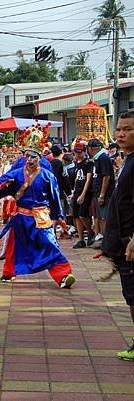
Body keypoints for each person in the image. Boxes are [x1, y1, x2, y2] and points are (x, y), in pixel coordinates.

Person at [0, 124, 76, 288]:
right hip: (21, 214)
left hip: (41, 214)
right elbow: (0, 186)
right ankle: (9, 272)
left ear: (40, 158)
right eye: (27, 156)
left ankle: (64, 275)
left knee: (49, 244)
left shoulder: (48, 175)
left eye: (33, 157)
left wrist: (59, 217)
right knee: (14, 245)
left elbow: (55, 198)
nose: (29, 160)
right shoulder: (16, 172)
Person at [102, 112, 134, 360]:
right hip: (122, 242)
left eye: (129, 129)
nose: (121, 134)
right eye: (119, 129)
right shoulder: (127, 161)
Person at [88, 138, 115, 245]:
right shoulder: (97, 159)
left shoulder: (103, 158)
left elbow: (106, 176)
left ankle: (105, 239)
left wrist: (102, 194)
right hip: (97, 191)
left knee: (104, 217)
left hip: (104, 193)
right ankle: (103, 238)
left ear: (91, 148)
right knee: (99, 216)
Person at [71, 143, 94, 249]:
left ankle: (90, 232)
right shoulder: (77, 163)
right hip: (77, 191)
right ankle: (80, 239)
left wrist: (83, 194)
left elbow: (88, 179)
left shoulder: (88, 163)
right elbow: (77, 178)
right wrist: (74, 192)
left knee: (82, 215)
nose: (77, 154)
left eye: (79, 152)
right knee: (76, 216)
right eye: (76, 152)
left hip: (85, 192)